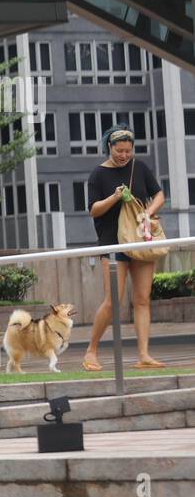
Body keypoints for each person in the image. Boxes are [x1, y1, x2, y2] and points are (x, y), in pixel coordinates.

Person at [81, 125, 166, 370]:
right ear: (109, 147)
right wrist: (115, 197)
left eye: (128, 151)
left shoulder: (139, 167)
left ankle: (144, 355)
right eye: (119, 151)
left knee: (142, 299)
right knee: (113, 302)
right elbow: (93, 209)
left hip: (140, 239)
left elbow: (159, 194)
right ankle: (91, 351)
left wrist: (148, 213)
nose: (124, 155)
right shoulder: (98, 175)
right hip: (112, 243)